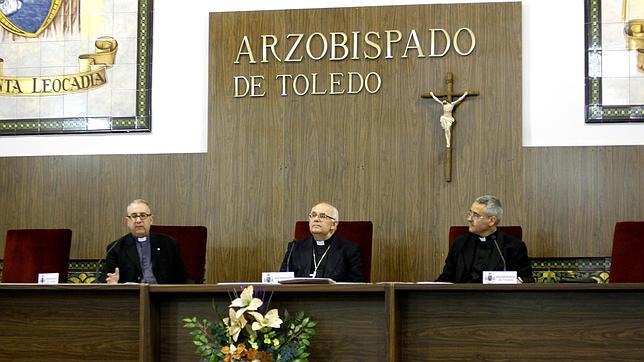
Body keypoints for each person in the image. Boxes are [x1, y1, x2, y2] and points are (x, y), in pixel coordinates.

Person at [436, 195, 534, 283]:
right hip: (462, 300)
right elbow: (446, 277)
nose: (469, 219)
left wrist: (516, 282)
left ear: (491, 221)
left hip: (496, 301)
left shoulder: (514, 246)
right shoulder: (460, 243)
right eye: (470, 213)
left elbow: (527, 279)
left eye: (476, 215)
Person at [100, 199, 190, 284]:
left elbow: (182, 277)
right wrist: (112, 284)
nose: (138, 220)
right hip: (132, 298)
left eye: (143, 215)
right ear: (128, 221)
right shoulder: (116, 248)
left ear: (151, 220)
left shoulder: (169, 244)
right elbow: (106, 279)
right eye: (134, 216)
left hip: (163, 297)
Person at [280, 202, 364, 282]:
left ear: (333, 225)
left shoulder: (349, 249)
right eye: (313, 215)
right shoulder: (294, 247)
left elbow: (356, 284)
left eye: (322, 216)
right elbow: (282, 279)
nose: (316, 219)